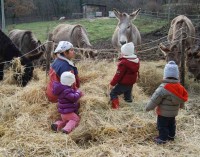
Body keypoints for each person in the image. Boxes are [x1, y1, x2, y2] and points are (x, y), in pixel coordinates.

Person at [145, 61, 188, 144]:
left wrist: (148, 108)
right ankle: (171, 136)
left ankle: (162, 139)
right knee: (172, 124)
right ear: (177, 75)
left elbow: (154, 99)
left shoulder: (163, 88)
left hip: (163, 113)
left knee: (162, 126)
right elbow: (181, 98)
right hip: (174, 112)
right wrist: (182, 106)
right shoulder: (180, 87)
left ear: (165, 75)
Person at [109, 42, 140, 109]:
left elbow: (118, 75)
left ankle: (115, 108)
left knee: (113, 93)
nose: (121, 53)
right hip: (131, 82)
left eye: (122, 51)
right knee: (127, 95)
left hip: (124, 83)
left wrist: (112, 84)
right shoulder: (136, 60)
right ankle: (130, 107)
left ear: (125, 53)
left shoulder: (124, 63)